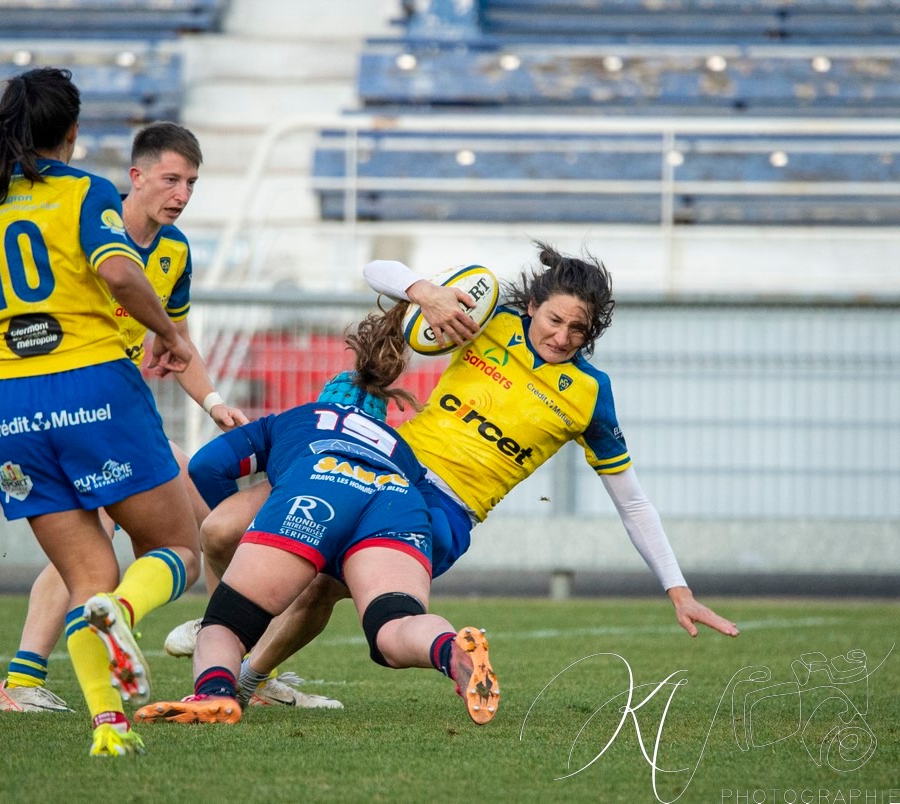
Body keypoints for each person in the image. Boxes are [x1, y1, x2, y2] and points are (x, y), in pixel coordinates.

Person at [182, 242, 739, 705]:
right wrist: (424, 292)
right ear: (531, 307)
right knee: (221, 529)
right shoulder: (489, 319)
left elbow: (632, 502)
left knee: (321, 586)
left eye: (578, 328)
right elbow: (378, 271)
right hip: (379, 461)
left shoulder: (592, 396)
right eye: (554, 319)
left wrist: (677, 589)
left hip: (442, 509)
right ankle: (227, 634)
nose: (563, 336)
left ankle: (245, 673)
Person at [0, 67, 201, 758]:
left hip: (10, 402)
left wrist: (12, 364)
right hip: (89, 383)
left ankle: (109, 729)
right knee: (177, 550)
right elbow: (115, 270)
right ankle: (122, 617)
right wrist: (170, 334)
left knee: (87, 577)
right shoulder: (82, 192)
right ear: (72, 133)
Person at [0, 120, 274, 715]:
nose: (182, 194)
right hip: (84, 402)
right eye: (171, 179)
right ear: (135, 177)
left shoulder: (174, 251)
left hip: (112, 407)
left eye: (191, 183)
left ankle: (223, 664)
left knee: (206, 524)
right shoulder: (88, 220)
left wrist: (215, 403)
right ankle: (225, 668)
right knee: (151, 537)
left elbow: (178, 343)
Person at [133, 313, 499, 727]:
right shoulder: (400, 448)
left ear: (325, 398)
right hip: (396, 502)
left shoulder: (294, 419)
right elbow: (436, 529)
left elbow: (206, 466)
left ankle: (215, 694)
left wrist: (261, 533)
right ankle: (450, 648)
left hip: (318, 485)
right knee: (393, 628)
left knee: (226, 625)